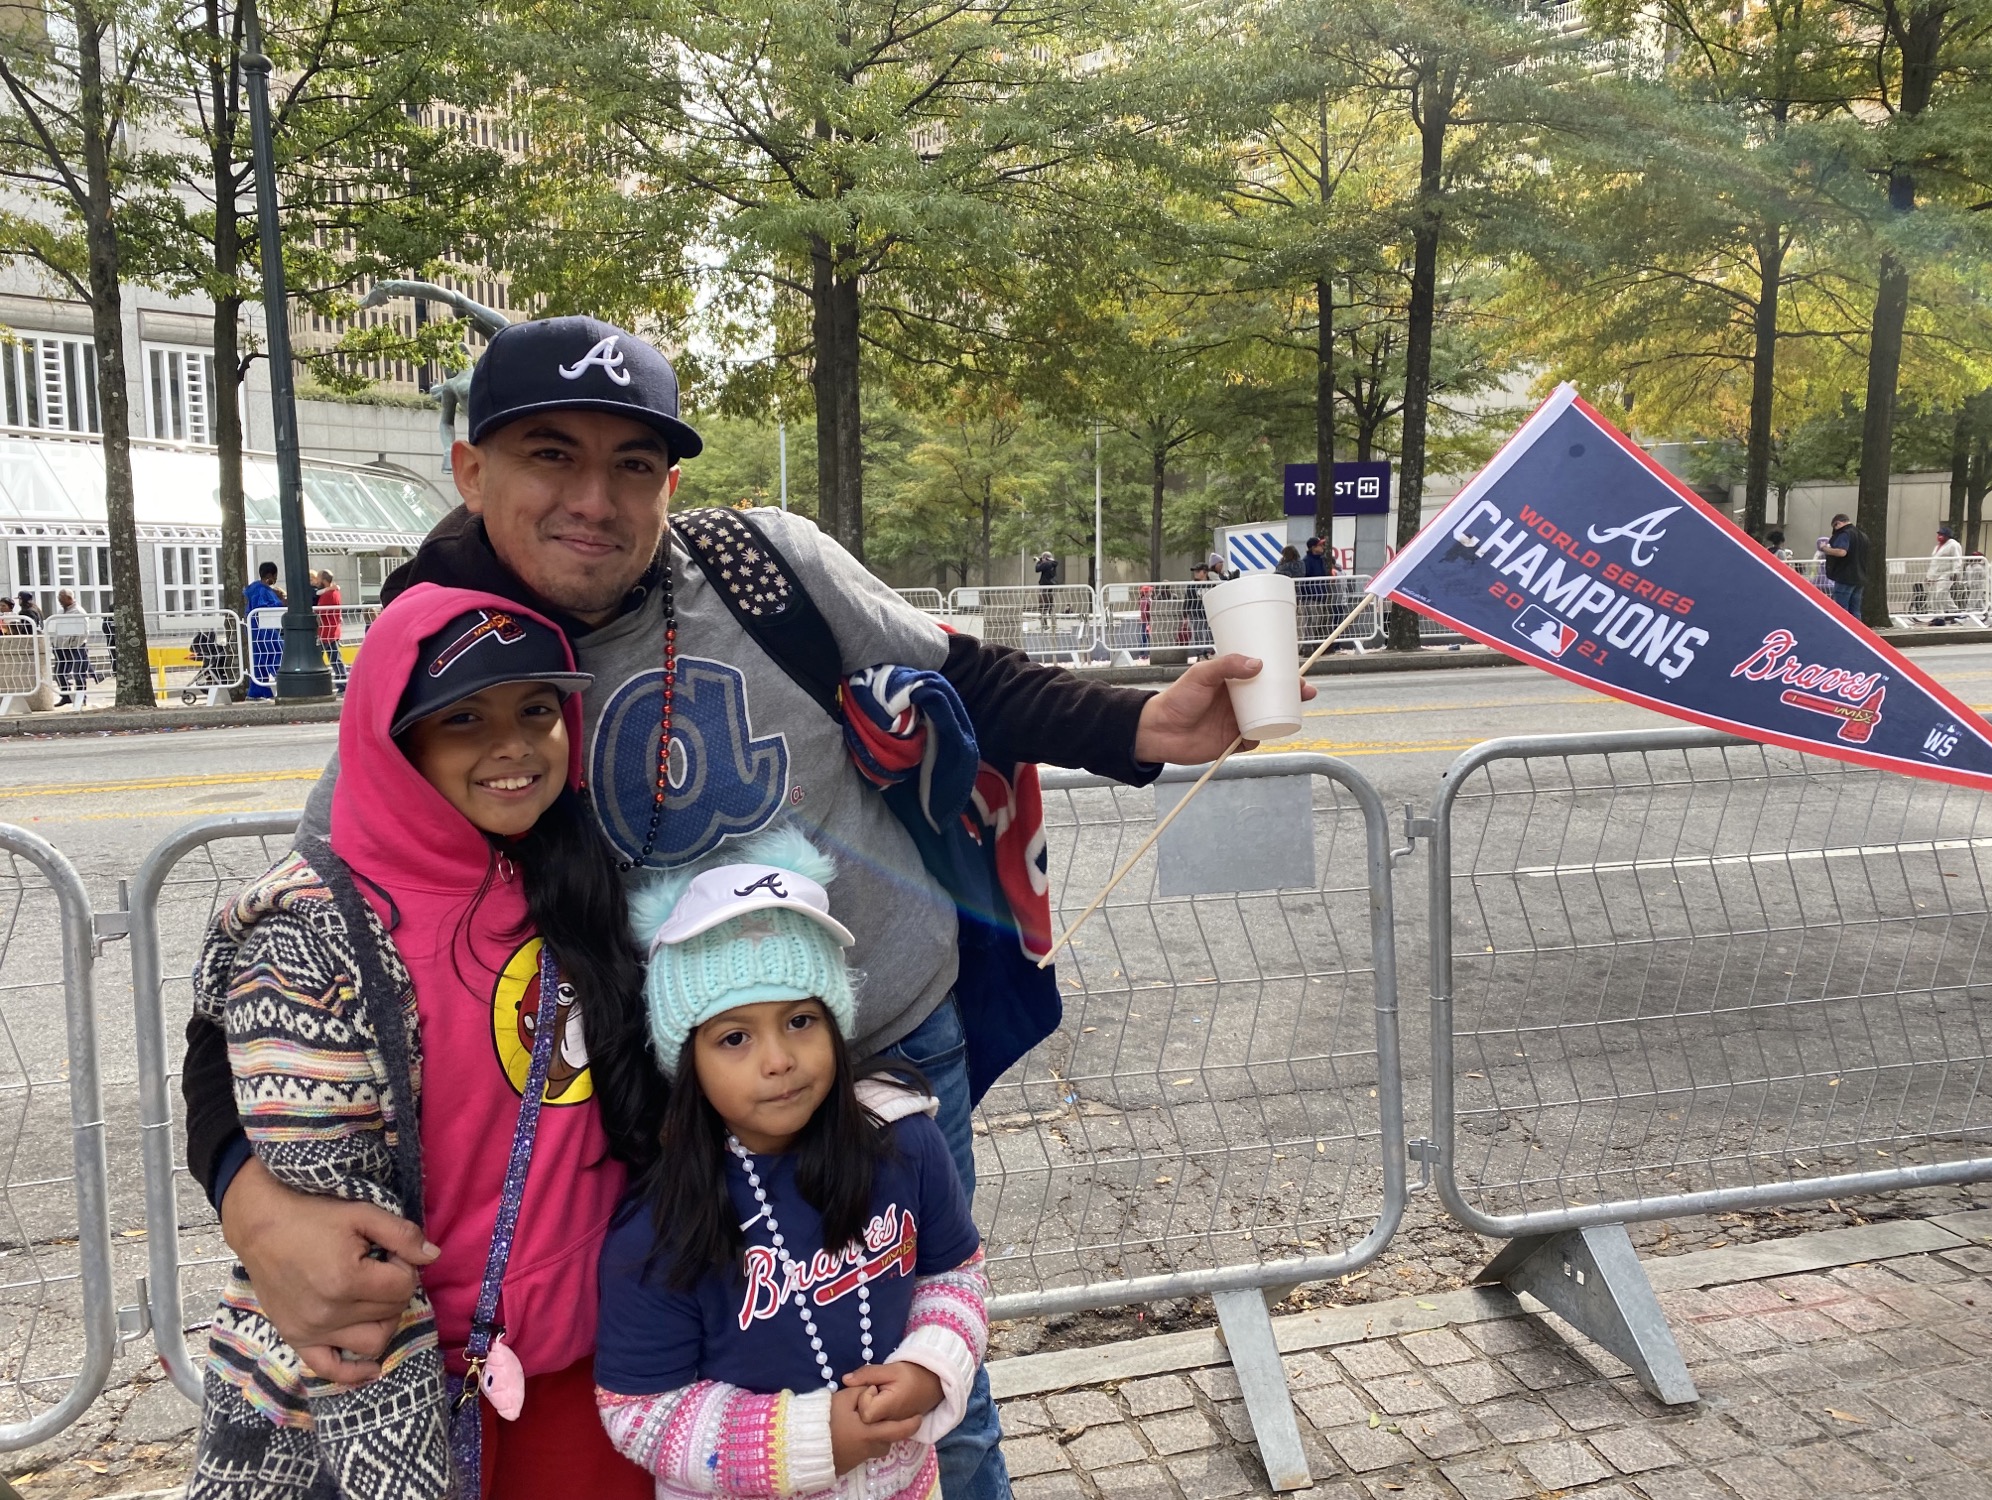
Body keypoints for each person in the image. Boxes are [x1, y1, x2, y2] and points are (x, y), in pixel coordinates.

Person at [177, 315, 1298, 1500]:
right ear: (471, 469)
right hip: (658, 1106)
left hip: (881, 1045)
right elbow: (290, 954)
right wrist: (253, 1202)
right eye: (550, 454)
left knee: (924, 1389)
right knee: (713, 1397)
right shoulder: (444, 656)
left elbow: (956, 669)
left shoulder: (759, 566)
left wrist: (1138, 726)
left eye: (634, 465)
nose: (593, 500)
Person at [188, 584, 659, 1500]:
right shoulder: (314, 938)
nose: (514, 744)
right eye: (463, 719)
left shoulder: (584, 886)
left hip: (598, 1378)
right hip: (404, 1396)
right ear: (394, 743)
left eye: (536, 709)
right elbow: (335, 1236)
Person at [596, 827, 987, 1500]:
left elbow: (954, 1276)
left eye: (800, 1021)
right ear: (686, 1061)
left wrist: (931, 1367)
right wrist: (812, 1440)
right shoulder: (660, 1227)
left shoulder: (906, 1146)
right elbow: (640, 1413)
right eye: (735, 1037)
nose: (777, 1059)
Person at [243, 562, 285, 699]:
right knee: (275, 654)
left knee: (259, 660)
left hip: (256, 631)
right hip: (265, 630)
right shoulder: (262, 590)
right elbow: (264, 608)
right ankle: (285, 684)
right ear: (270, 575)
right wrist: (282, 603)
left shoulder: (255, 589)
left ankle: (258, 692)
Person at [44, 589, 91, 705]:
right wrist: (55, 643)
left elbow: (84, 632)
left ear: (69, 598)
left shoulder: (79, 612)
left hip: (76, 647)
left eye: (61, 598)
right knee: (59, 673)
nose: (59, 601)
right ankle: (66, 696)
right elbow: (58, 630)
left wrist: (73, 643)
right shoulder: (61, 612)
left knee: (78, 673)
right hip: (60, 647)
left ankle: (81, 698)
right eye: (59, 598)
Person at [1819, 513, 1867, 620]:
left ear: (1838, 523)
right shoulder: (1862, 535)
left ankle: (1841, 634)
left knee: (1841, 610)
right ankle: (1856, 633)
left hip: (1845, 577)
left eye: (1835, 527)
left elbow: (1841, 552)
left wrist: (1824, 548)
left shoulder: (1844, 534)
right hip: (1859, 577)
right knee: (1855, 610)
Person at [313, 570, 349, 688]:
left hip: (326, 632)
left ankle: (324, 683)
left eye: (318, 578)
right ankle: (342, 683)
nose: (316, 581)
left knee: (316, 658)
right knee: (335, 658)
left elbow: (320, 610)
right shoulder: (334, 592)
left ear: (324, 580)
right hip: (332, 630)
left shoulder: (328, 594)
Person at [1924, 524, 1965, 622]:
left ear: (1947, 536)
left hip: (1947, 573)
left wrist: (1956, 572)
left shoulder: (1953, 545)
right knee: (1937, 595)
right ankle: (1954, 612)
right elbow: (1934, 562)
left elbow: (1957, 559)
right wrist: (1929, 576)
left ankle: (1940, 616)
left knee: (1940, 593)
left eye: (1942, 534)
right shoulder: (1937, 547)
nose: (1940, 536)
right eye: (1939, 534)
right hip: (1935, 575)